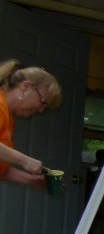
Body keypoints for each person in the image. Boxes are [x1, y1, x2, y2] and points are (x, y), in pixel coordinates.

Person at [0, 60, 62, 190]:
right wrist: (24, 160)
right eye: (43, 101)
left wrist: (30, 180)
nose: (41, 110)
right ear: (25, 87)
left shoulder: (7, 117)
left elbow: (2, 169)